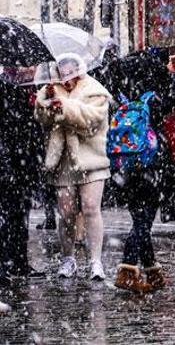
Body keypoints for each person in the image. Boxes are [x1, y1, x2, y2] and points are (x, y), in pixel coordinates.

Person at [112, 47, 175, 293]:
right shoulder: (154, 94)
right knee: (145, 218)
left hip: (125, 161)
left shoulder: (123, 88)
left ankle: (152, 271)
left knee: (139, 216)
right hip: (150, 157)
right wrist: (168, 73)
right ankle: (127, 269)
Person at [34, 54, 111, 281]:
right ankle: (68, 259)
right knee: (66, 213)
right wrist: (46, 103)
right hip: (64, 161)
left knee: (91, 208)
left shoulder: (95, 90)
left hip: (92, 158)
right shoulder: (50, 89)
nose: (66, 79)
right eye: (62, 73)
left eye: (70, 73)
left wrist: (65, 107)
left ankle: (95, 261)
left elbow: (92, 120)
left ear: (79, 71)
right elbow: (42, 119)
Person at [0, 78, 46, 287]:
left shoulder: (32, 88)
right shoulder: (7, 88)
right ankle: (5, 262)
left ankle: (19, 260)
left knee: (20, 210)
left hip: (25, 160)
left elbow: (34, 126)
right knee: (7, 212)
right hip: (9, 158)